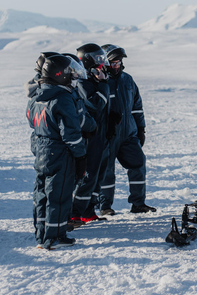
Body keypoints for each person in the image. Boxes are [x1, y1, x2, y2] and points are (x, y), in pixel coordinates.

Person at [26, 54, 88, 249]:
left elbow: (31, 120)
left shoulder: (36, 96)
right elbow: (71, 134)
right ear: (59, 74)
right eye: (69, 72)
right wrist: (81, 156)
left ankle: (42, 235)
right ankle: (55, 236)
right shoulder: (63, 98)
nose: (72, 76)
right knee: (59, 194)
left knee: (42, 192)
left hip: (41, 149)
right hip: (60, 152)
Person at [97, 44, 155, 214]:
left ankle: (138, 203)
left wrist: (141, 128)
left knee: (138, 164)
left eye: (118, 62)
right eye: (112, 62)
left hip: (129, 133)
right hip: (107, 135)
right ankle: (105, 206)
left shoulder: (128, 79)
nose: (116, 66)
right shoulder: (100, 81)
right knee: (107, 171)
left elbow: (137, 106)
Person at [70, 43, 111, 225]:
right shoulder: (83, 82)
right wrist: (103, 83)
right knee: (87, 175)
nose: (102, 62)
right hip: (89, 136)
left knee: (98, 175)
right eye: (98, 58)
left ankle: (88, 209)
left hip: (100, 135)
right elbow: (96, 104)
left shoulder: (92, 80)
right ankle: (74, 213)